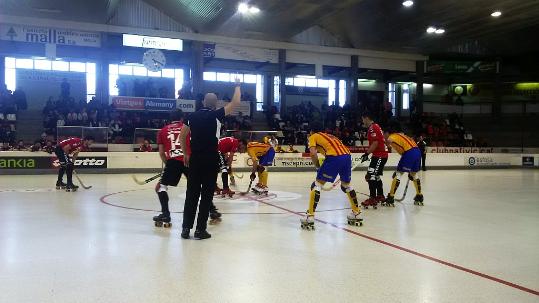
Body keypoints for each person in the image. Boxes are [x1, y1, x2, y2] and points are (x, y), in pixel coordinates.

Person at [179, 77, 242, 240]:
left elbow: (182, 135)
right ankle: (200, 230)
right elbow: (235, 103)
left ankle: (186, 229)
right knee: (206, 195)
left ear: (203, 102)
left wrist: (186, 153)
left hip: (194, 160)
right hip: (210, 159)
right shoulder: (216, 115)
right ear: (214, 104)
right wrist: (237, 85)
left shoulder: (191, 117)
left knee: (191, 193)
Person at [300, 129, 363, 230]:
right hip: (347, 156)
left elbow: (312, 153)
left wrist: (317, 167)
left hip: (334, 157)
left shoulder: (313, 136)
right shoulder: (331, 136)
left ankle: (310, 216)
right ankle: (357, 213)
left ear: (311, 132)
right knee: (346, 186)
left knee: (317, 185)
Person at [152, 111, 190, 227]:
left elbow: (162, 153)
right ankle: (212, 211)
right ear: (182, 118)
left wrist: (168, 165)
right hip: (189, 159)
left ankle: (165, 214)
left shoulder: (162, 131)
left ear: (170, 118)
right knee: (198, 186)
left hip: (173, 161)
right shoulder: (188, 128)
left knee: (160, 187)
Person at [384, 129, 424, 206]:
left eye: (383, 134)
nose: (383, 136)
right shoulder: (402, 135)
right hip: (417, 152)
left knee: (398, 174)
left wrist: (387, 144)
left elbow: (389, 140)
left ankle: (391, 197)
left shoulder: (393, 136)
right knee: (414, 174)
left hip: (409, 152)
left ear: (387, 133)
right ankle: (419, 196)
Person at [360, 112, 388, 209]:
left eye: (362, 119)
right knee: (375, 176)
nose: (362, 121)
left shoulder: (372, 127)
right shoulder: (376, 126)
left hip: (379, 155)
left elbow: (375, 142)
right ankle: (380, 195)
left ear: (366, 118)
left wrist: (367, 154)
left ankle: (372, 198)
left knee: (370, 176)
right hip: (380, 155)